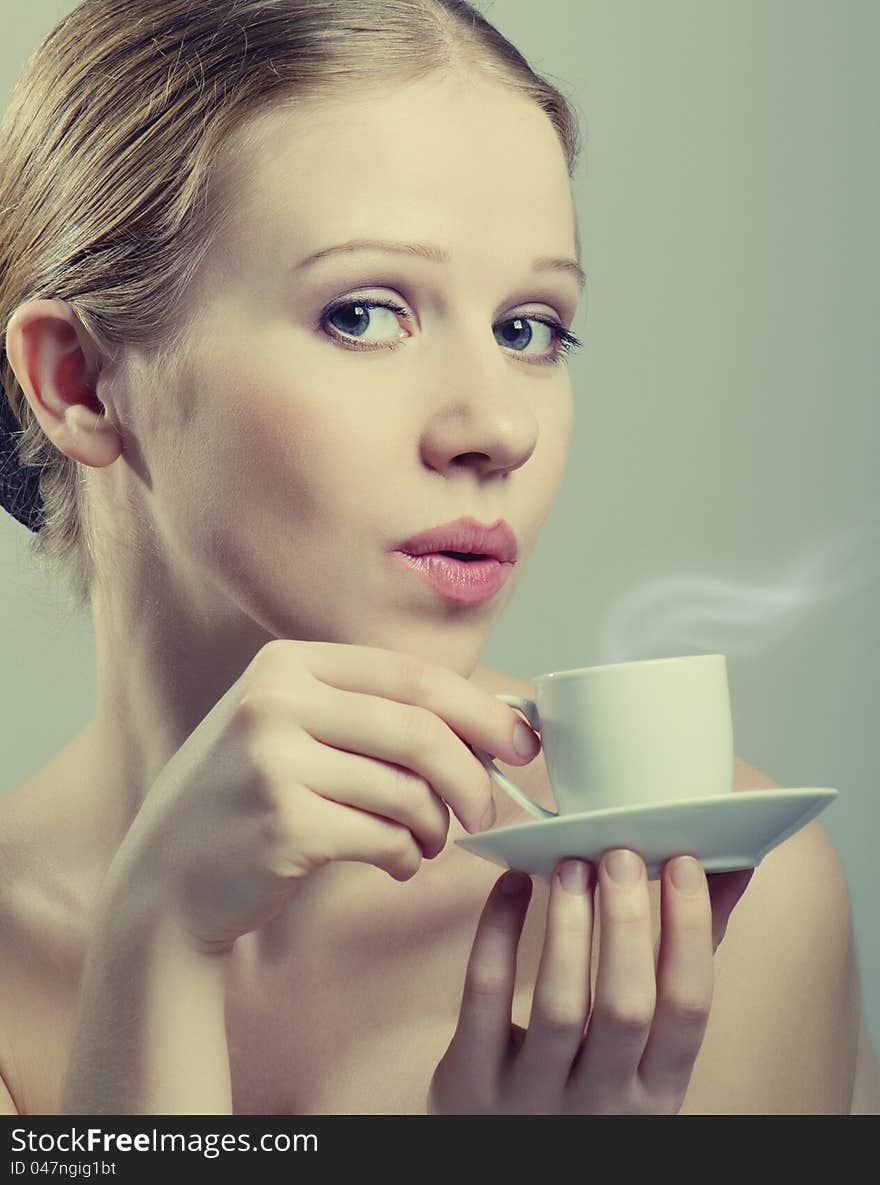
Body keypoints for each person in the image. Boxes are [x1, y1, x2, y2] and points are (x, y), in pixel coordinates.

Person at [0, 0, 876, 1117]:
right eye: (364, 314)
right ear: (76, 379)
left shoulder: (702, 917)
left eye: (530, 329)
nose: (495, 429)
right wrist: (154, 946)